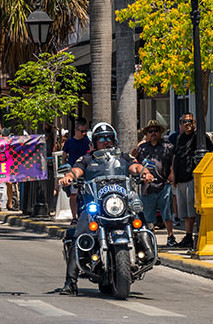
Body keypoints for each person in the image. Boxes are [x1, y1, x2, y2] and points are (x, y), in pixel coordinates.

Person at [57, 122, 151, 295]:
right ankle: (70, 283)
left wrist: (144, 172)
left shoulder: (123, 156)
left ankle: (148, 251)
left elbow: (134, 166)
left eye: (109, 138)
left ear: (114, 140)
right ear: (94, 142)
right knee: (79, 235)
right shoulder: (87, 159)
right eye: (101, 139)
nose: (105, 142)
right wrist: (69, 176)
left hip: (119, 203)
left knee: (139, 216)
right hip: (96, 206)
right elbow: (76, 170)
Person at [170, 113, 213, 249]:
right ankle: (188, 236)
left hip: (193, 178)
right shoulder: (179, 138)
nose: (187, 124)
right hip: (181, 179)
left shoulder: (200, 137)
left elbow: (212, 153)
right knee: (184, 212)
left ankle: (194, 236)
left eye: (190, 121)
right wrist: (173, 175)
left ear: (194, 122)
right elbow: (176, 156)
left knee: (192, 210)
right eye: (184, 121)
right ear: (181, 123)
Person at [136, 120, 177, 246]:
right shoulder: (142, 149)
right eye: (150, 131)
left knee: (167, 213)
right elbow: (135, 164)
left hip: (163, 184)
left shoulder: (167, 147)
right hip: (147, 187)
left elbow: (174, 161)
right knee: (148, 216)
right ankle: (150, 239)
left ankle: (170, 236)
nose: (153, 133)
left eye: (156, 131)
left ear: (160, 133)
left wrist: (172, 174)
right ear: (147, 134)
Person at [62, 117, 91, 222]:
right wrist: (66, 173)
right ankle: (74, 217)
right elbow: (64, 157)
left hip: (85, 172)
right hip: (73, 172)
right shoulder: (69, 142)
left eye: (85, 131)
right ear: (76, 130)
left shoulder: (87, 141)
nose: (83, 133)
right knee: (74, 194)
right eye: (81, 131)